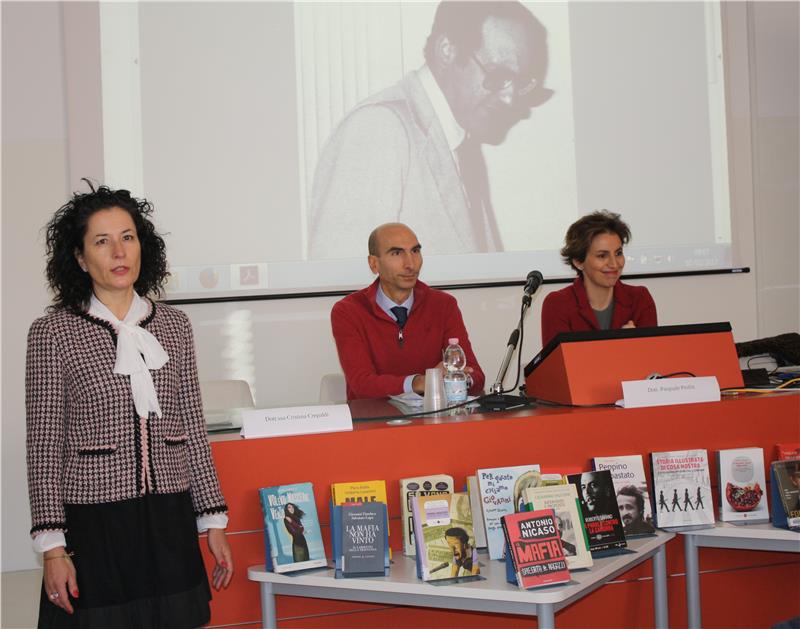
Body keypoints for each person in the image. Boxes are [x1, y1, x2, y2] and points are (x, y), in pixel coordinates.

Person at [26, 184, 233, 628]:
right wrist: (53, 549)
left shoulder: (175, 325)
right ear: (80, 258)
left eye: (128, 237)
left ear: (143, 246)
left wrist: (213, 520)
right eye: (102, 242)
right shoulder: (53, 332)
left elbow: (192, 429)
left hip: (169, 519)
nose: (119, 252)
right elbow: (44, 446)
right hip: (96, 524)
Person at [308, 0, 552, 259]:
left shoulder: (462, 145)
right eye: (498, 76)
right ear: (447, 50)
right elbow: (342, 274)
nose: (510, 99)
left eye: (520, 83)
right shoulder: (378, 128)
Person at [331, 223, 485, 400]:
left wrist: (459, 380)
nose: (410, 264)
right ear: (374, 264)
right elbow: (362, 385)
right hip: (374, 416)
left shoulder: (443, 305)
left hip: (433, 415)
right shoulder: (348, 311)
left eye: (415, 251)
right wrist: (419, 382)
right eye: (397, 253)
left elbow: (476, 376)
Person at [541, 210, 657, 347]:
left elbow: (652, 356)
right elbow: (561, 360)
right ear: (578, 262)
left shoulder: (640, 299)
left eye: (618, 253)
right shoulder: (558, 304)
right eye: (602, 256)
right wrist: (622, 345)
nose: (614, 264)